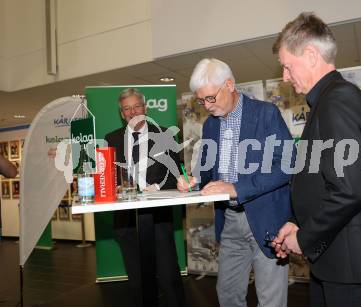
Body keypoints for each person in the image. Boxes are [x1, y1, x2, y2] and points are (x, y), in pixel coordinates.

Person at [271, 12, 361, 307]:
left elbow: (348, 190)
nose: (285, 77)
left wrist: (304, 238)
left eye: (288, 67)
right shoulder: (327, 100)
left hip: (347, 262)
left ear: (311, 55)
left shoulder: (338, 100)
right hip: (336, 257)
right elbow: (322, 182)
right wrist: (296, 224)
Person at [177, 58, 295, 307]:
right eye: (201, 101)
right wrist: (194, 180)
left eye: (211, 98)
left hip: (266, 219)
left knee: (270, 300)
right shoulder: (210, 125)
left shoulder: (265, 114)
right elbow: (207, 171)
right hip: (229, 223)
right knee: (228, 295)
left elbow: (287, 165)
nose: (207, 106)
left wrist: (237, 188)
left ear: (229, 84)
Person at [104, 88, 185, 307]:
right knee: (137, 282)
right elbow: (106, 175)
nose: (132, 112)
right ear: (122, 113)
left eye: (136, 106)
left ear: (145, 108)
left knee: (169, 277)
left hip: (158, 217)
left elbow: (177, 173)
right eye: (127, 109)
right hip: (126, 219)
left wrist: (157, 186)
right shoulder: (111, 138)